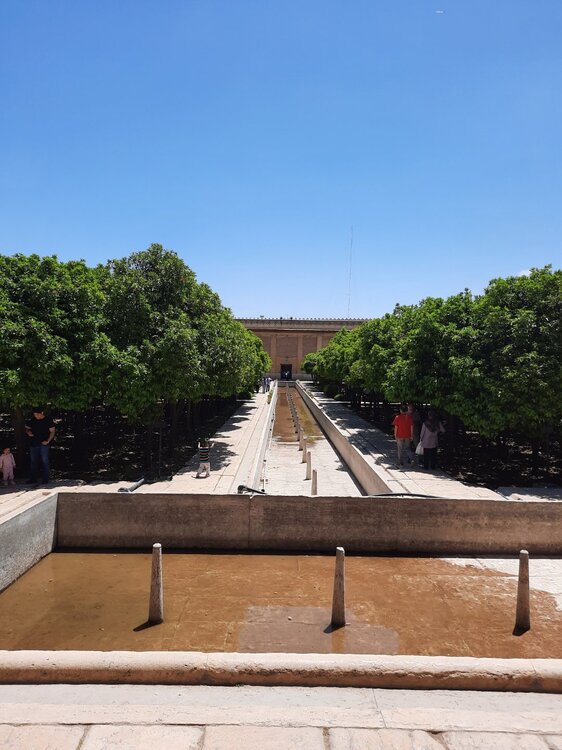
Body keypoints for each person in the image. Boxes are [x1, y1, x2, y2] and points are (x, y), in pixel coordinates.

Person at [25, 407, 56, 484]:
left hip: (44, 443)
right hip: (33, 443)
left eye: (37, 415)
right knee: (33, 462)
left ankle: (45, 479)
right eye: (35, 415)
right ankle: (33, 479)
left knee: (45, 461)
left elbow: (52, 431)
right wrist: (28, 432)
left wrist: (48, 441)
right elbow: (27, 428)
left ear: (41, 413)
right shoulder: (32, 420)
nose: (36, 416)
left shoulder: (48, 420)